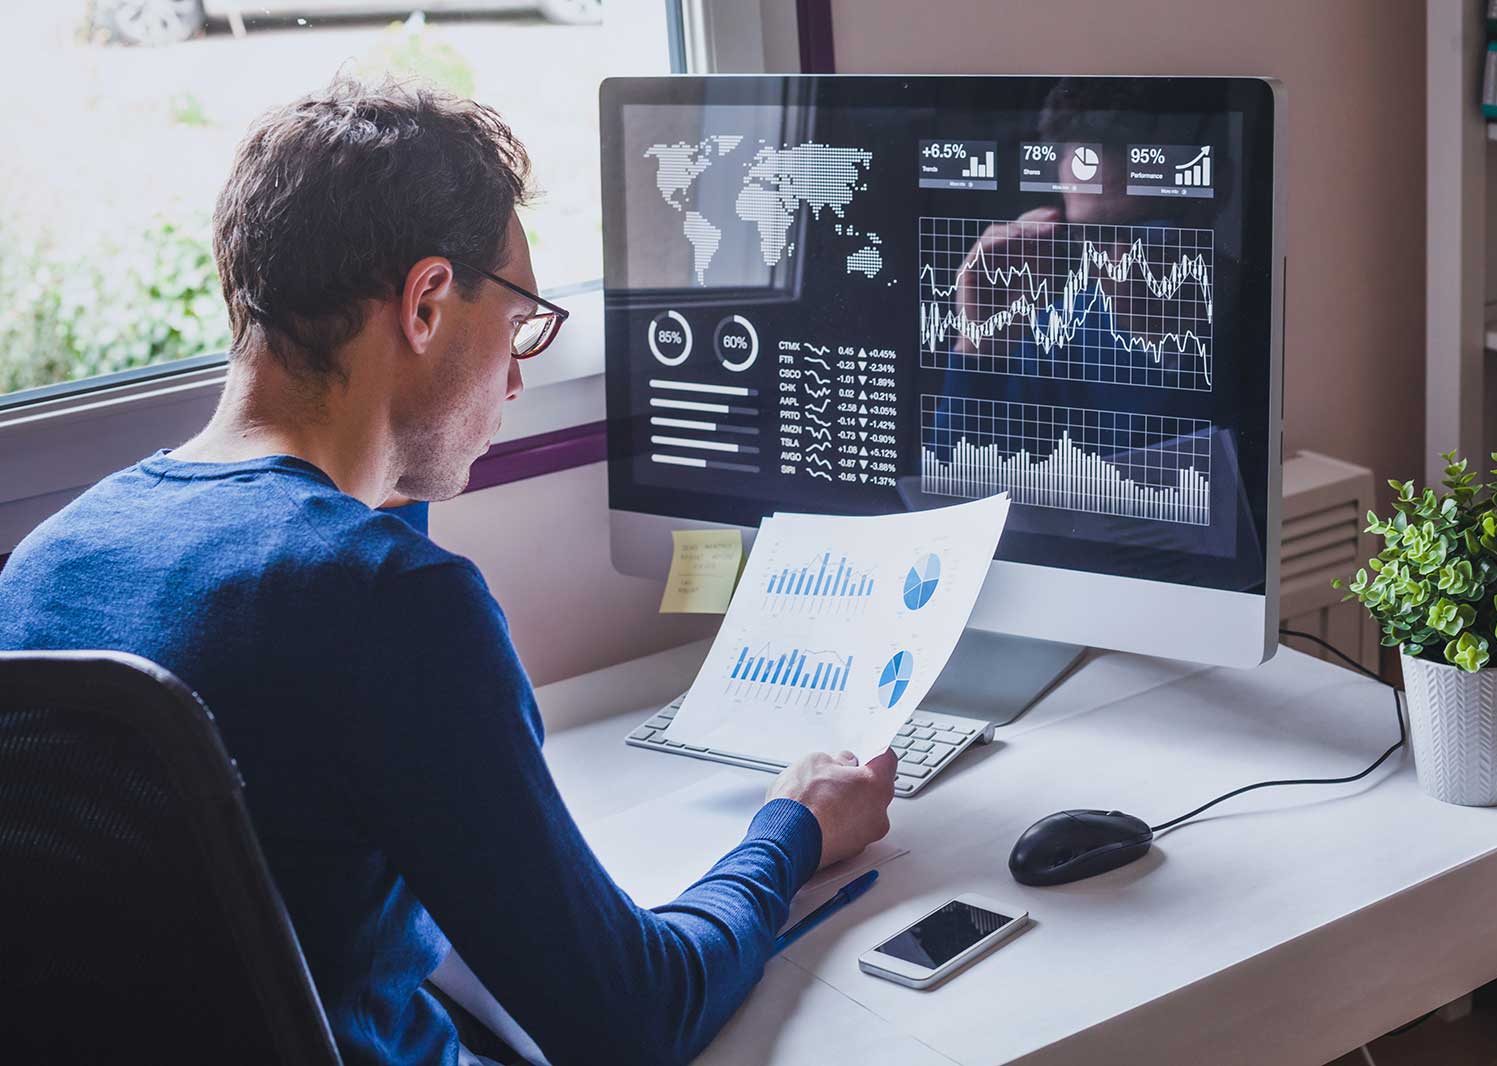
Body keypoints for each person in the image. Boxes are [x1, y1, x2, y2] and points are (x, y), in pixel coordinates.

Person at [0, 78, 895, 1066]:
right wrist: (792, 829)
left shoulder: (44, 565)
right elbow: (633, 1021)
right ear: (425, 301)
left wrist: (390, 463)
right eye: (516, 324)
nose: (516, 376)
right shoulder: (386, 602)